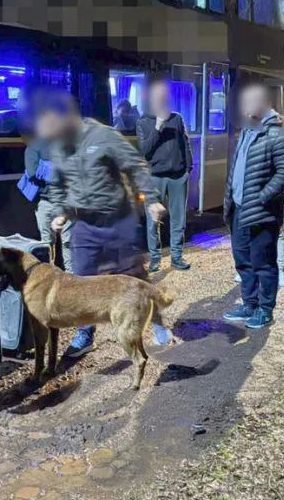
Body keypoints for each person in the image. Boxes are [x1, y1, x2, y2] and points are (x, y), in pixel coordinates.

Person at [37, 89, 167, 356]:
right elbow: (57, 183)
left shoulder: (104, 135)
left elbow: (135, 166)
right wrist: (61, 211)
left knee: (133, 278)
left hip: (119, 221)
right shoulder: (60, 146)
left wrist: (152, 199)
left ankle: (156, 322)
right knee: (82, 282)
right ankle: (86, 335)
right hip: (85, 225)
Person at [222, 82, 284, 329]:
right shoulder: (247, 130)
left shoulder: (278, 132)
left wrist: (264, 196)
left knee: (263, 262)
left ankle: (265, 309)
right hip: (239, 209)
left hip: (262, 211)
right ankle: (249, 304)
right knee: (242, 260)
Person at [137, 79, 193, 273]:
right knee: (153, 221)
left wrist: (188, 168)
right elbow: (144, 150)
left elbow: (184, 143)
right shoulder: (143, 122)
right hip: (155, 177)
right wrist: (158, 127)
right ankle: (155, 258)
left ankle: (177, 256)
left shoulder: (176, 118)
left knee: (179, 219)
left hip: (178, 176)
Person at [24, 135, 73, 272]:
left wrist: (47, 168)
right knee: (67, 242)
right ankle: (71, 275)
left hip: (45, 202)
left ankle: (50, 275)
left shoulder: (34, 145)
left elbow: (33, 173)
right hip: (62, 201)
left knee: (47, 244)